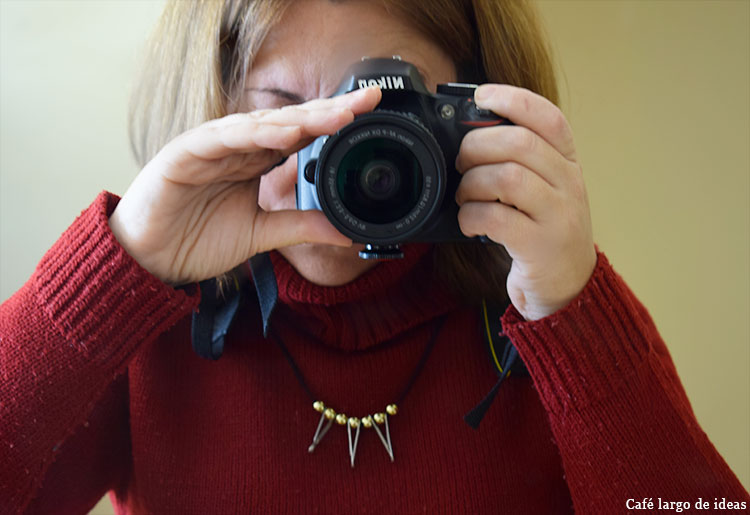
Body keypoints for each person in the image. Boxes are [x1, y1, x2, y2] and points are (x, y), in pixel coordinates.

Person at [1, 0, 747, 513]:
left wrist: (573, 312)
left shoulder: (545, 318)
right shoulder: (148, 327)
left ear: (476, 109)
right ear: (214, 111)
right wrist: (116, 271)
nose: (339, 157)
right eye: (286, 112)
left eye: (384, 113)